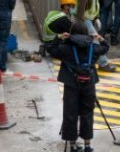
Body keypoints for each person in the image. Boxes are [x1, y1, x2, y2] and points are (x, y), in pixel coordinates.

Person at [46, 20, 109, 152]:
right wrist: (101, 39)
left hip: (71, 84)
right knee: (87, 113)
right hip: (89, 83)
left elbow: (50, 49)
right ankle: (87, 145)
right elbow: (105, 48)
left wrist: (58, 38)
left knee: (70, 114)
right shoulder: (94, 47)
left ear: (71, 32)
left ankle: (73, 145)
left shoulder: (66, 48)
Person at [75, 0, 116, 72]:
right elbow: (81, 8)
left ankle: (90, 61)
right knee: (96, 40)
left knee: (91, 41)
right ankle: (103, 63)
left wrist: (96, 17)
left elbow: (94, 5)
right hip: (84, 19)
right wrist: (80, 23)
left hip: (89, 19)